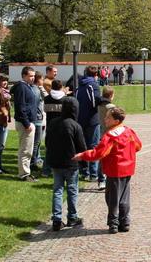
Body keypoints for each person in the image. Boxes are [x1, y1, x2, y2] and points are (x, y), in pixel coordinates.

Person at [73, 107, 142, 234]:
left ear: (116, 120)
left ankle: (113, 224)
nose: (105, 119)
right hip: (127, 169)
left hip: (114, 170)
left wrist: (82, 155)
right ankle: (125, 222)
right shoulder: (129, 132)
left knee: (112, 199)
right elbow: (138, 146)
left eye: (108, 117)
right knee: (124, 198)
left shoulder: (110, 137)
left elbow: (99, 153)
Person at [46, 97, 86, 231]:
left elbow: (47, 142)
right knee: (72, 190)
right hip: (71, 162)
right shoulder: (75, 125)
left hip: (56, 161)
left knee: (57, 190)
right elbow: (82, 147)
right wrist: (84, 163)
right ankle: (72, 217)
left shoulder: (52, 123)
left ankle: (56, 219)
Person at [76, 66, 102, 182]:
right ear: (96, 75)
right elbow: (94, 102)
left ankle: (84, 171)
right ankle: (93, 173)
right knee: (94, 146)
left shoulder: (80, 86)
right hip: (92, 120)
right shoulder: (93, 85)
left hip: (80, 119)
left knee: (83, 145)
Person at [31, 71, 47, 172]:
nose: (43, 81)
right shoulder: (36, 89)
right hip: (38, 118)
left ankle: (35, 160)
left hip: (41, 117)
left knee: (38, 141)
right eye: (42, 79)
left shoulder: (38, 88)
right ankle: (33, 162)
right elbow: (47, 98)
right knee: (36, 142)